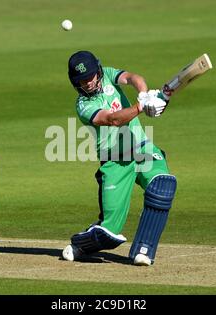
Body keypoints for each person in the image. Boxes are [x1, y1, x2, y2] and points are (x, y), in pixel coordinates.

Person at [62, 51, 177, 266]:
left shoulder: (108, 75)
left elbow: (133, 77)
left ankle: (144, 250)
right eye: (81, 80)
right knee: (108, 233)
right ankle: (81, 244)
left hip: (141, 147)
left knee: (163, 184)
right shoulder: (83, 106)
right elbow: (113, 119)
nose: (87, 83)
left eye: (90, 77)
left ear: (98, 71)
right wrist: (140, 107)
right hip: (114, 160)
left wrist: (144, 94)